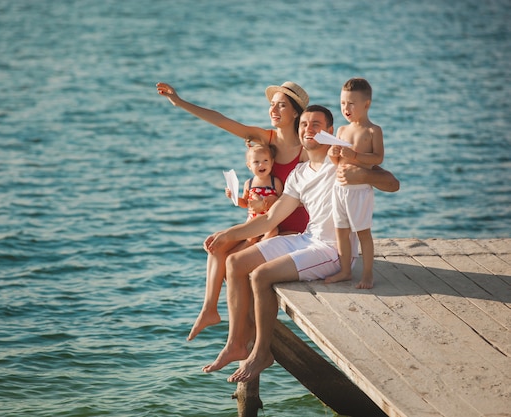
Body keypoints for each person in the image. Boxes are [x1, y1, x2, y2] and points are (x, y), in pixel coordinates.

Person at [201, 105, 399, 383]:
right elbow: (270, 219)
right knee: (235, 262)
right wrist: (230, 234)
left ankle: (261, 352)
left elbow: (392, 183)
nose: (308, 129)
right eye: (304, 124)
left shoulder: (344, 161)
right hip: (308, 239)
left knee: (261, 275)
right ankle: (236, 342)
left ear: (330, 131)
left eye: (316, 124)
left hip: (333, 250)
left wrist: (362, 175)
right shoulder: (299, 173)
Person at [156, 81, 311, 341]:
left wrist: (273, 203)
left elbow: (308, 198)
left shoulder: (305, 151)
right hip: (260, 225)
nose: (274, 109)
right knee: (216, 247)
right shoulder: (266, 139)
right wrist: (179, 102)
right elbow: (222, 120)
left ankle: (248, 336)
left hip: (291, 231)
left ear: (296, 112)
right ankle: (210, 310)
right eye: (272, 104)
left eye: (282, 105)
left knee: (233, 263)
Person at [325, 78, 384, 289]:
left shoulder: (372, 131)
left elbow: (378, 158)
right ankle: (345, 270)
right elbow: (338, 162)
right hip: (339, 189)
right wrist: (333, 155)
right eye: (342, 103)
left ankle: (368, 275)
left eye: (351, 103)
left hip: (359, 191)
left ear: (366, 104)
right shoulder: (341, 130)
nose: (345, 108)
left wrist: (356, 155)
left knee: (362, 232)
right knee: (340, 229)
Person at [226, 143, 283, 242]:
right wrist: (233, 197)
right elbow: (245, 203)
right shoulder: (249, 183)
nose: (261, 164)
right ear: (249, 165)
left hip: (268, 220)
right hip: (253, 220)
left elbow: (282, 201)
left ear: (272, 162)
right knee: (251, 238)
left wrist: (268, 201)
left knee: (273, 232)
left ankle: (260, 246)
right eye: (256, 162)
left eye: (265, 161)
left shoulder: (275, 183)